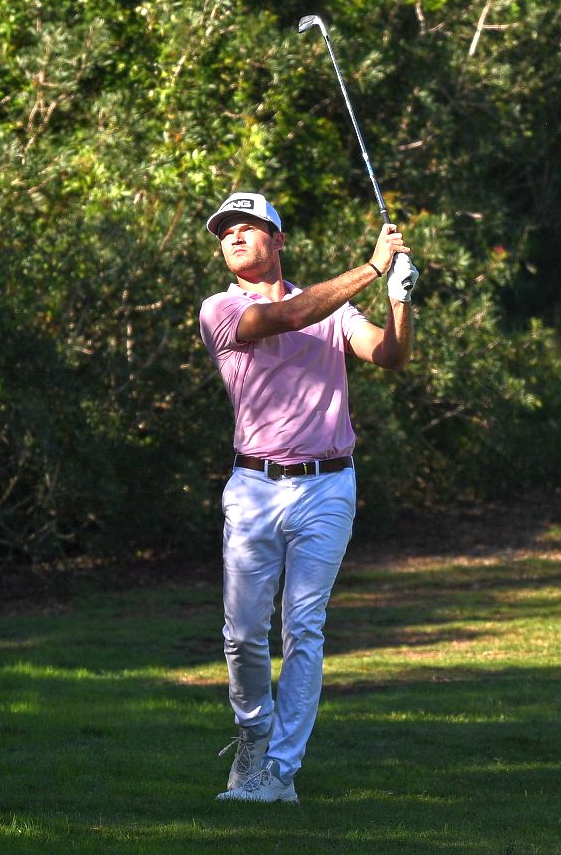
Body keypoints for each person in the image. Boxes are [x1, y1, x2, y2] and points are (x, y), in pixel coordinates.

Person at [197, 191, 417, 803]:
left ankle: (280, 773)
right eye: (225, 232)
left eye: (248, 227)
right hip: (254, 487)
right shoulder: (220, 308)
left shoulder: (334, 313)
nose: (234, 237)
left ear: (278, 240)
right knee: (242, 635)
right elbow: (286, 319)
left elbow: (392, 356)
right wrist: (372, 268)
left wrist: (399, 298)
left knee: (303, 628)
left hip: (327, 484)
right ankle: (253, 735)